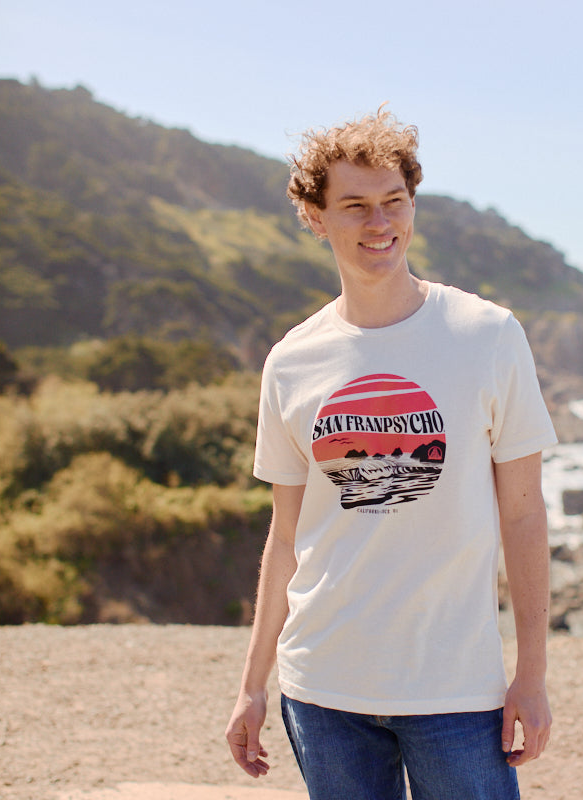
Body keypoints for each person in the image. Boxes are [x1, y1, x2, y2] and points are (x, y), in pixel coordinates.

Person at [225, 107, 557, 800]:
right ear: (315, 216)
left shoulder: (488, 336)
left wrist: (532, 673)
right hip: (322, 689)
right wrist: (253, 686)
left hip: (457, 693)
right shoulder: (291, 362)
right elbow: (286, 536)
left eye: (393, 202)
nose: (380, 224)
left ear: (412, 204)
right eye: (354, 206)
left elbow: (523, 515)